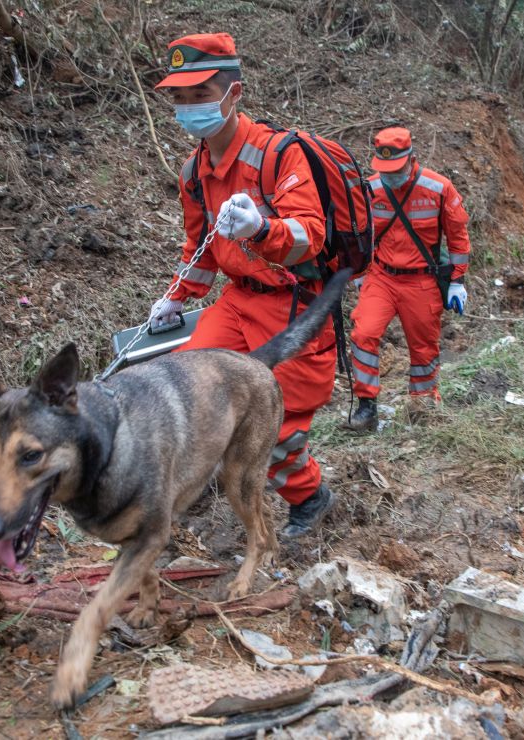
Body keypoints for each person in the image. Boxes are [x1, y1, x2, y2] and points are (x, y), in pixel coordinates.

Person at [148, 33, 335, 539]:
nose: (189, 109)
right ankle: (181, 493)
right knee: (188, 391)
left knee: (277, 432)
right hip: (236, 303)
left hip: (291, 306)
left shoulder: (279, 156)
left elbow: (310, 236)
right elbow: (200, 250)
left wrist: (262, 229)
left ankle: (310, 495)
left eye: (201, 96)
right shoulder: (196, 169)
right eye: (180, 99)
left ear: (234, 95)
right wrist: (176, 297)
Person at [344, 127, 471, 432]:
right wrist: (361, 272)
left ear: (412, 159)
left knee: (423, 348)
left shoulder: (439, 189)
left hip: (422, 281)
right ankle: (366, 407)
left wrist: (457, 280)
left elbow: (458, 237)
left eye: (396, 170)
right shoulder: (369, 189)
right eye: (384, 170)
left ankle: (423, 405)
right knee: (364, 334)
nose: (391, 177)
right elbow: (361, 234)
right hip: (382, 277)